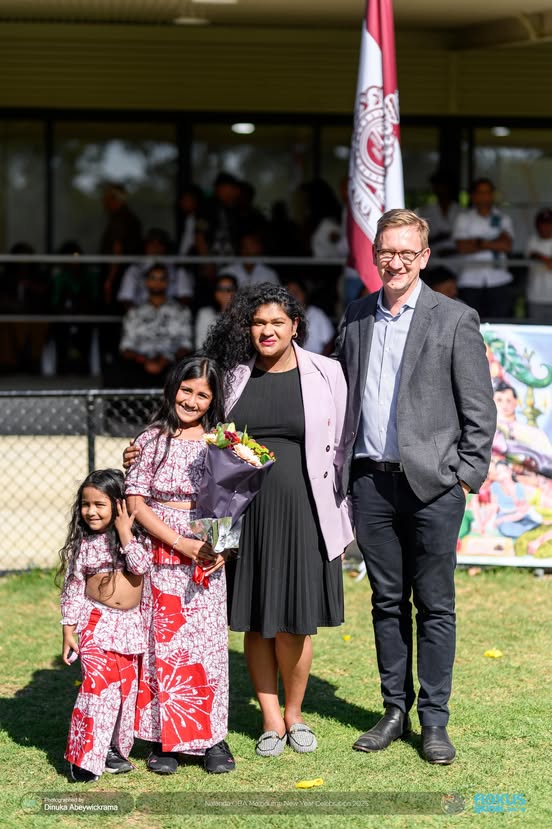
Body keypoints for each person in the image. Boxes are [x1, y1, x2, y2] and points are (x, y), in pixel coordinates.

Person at [335, 208, 496, 765]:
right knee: (385, 602)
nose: (396, 260)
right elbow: (342, 396)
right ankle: (393, 709)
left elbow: (480, 411)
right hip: (371, 486)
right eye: (388, 251)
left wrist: (464, 477)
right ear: (375, 253)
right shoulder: (356, 315)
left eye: (408, 252)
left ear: (424, 257)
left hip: (434, 489)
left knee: (434, 605)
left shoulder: (455, 319)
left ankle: (434, 720)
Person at [203, 283, 353, 757]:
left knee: (296, 623)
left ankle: (294, 714)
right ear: (248, 327)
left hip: (308, 512)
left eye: (277, 323)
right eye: (259, 322)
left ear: (295, 327)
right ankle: (269, 720)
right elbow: (202, 436)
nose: (267, 331)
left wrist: (346, 510)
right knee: (256, 619)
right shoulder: (229, 377)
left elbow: (346, 441)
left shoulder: (327, 372)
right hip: (244, 515)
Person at [124, 356, 236, 775]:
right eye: (185, 390)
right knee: (163, 646)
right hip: (161, 551)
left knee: (206, 646)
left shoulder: (222, 442)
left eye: (202, 394)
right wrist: (177, 543)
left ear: (213, 400)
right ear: (173, 388)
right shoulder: (152, 438)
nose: (191, 400)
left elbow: (234, 498)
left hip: (207, 551)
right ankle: (163, 739)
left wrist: (222, 546)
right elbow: (135, 503)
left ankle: (211, 737)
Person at [58, 469, 151, 783]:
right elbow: (72, 587)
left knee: (125, 692)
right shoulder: (83, 545)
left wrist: (125, 533)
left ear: (119, 506)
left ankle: (112, 750)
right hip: (95, 625)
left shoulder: (135, 539)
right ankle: (82, 759)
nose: (91, 511)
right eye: (85, 504)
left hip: (129, 628)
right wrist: (68, 630)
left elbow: (140, 566)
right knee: (96, 691)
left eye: (99, 504)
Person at [118, 263, 193, 387]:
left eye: (162, 278)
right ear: (146, 282)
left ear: (167, 282)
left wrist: (165, 360)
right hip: (140, 364)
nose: (157, 282)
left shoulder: (181, 311)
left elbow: (186, 345)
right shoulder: (134, 312)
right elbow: (126, 348)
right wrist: (144, 361)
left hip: (171, 363)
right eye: (153, 278)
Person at [452, 177, 514, 318]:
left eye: (487, 192)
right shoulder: (464, 218)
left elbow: (506, 245)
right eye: (480, 192)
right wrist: (494, 242)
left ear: (492, 195)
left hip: (499, 279)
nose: (484, 196)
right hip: (469, 280)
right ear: (473, 196)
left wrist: (479, 242)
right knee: (469, 324)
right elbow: (462, 247)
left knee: (500, 324)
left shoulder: (503, 218)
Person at [117, 227, 194, 310]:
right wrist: (137, 315)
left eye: (160, 244)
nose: (156, 247)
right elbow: (126, 298)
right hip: (141, 315)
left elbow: (185, 296)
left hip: (171, 315)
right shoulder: (134, 270)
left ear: (165, 247)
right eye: (152, 243)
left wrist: (174, 313)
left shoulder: (178, 270)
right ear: (146, 246)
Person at [285, 278, 335, 355]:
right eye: (289, 294)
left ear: (304, 294)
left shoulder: (317, 314)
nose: (293, 298)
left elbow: (329, 342)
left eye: (296, 293)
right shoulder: (283, 316)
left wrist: (320, 362)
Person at [194, 274, 238, 351]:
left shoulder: (243, 314)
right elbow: (200, 345)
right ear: (214, 292)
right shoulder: (205, 314)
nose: (224, 293)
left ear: (236, 292)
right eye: (220, 289)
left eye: (229, 289)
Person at [526, 207, 552, 323]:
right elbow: (531, 254)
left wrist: (541, 257)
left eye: (548, 223)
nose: (545, 227)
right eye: (543, 223)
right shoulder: (533, 240)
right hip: (536, 297)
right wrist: (544, 258)